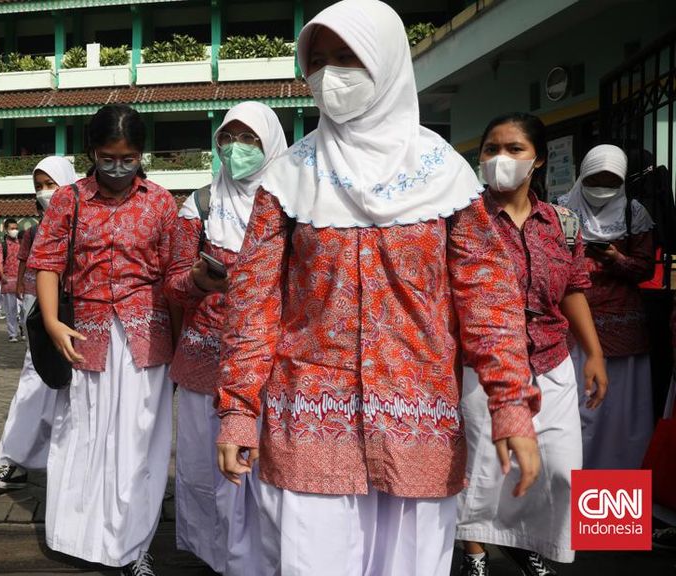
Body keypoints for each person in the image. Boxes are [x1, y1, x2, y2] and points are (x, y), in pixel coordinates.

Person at [214, 2, 542, 575]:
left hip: (418, 426)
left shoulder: (446, 176)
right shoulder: (289, 177)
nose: (330, 76)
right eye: (317, 62)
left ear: (386, 63)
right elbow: (253, 302)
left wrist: (510, 404)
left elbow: (487, 301)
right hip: (310, 419)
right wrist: (238, 409)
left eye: (348, 59)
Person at [455, 113, 608, 576]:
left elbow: (574, 287)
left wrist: (594, 353)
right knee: (483, 470)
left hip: (551, 360)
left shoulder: (562, 222)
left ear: (537, 159)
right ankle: (476, 554)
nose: (500, 158)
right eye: (490, 149)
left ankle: (530, 543)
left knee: (560, 472)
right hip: (482, 367)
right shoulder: (464, 219)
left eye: (514, 149)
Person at [27, 105, 177, 576]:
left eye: (128, 157)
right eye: (108, 156)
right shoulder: (69, 200)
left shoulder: (161, 202)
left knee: (139, 438)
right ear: (92, 152)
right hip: (83, 332)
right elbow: (47, 264)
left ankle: (135, 544)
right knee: (82, 431)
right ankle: (77, 535)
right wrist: (51, 322)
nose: (117, 166)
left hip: (146, 334)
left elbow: (174, 274)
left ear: (140, 155)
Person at [165, 101, 287, 575]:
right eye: (227, 138)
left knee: (262, 471)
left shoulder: (290, 205)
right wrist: (197, 281)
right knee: (205, 468)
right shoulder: (198, 207)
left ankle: (265, 559)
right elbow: (171, 282)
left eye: (249, 138)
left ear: (271, 143)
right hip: (204, 360)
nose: (236, 148)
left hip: (270, 364)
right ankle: (214, 558)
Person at [560, 144, 656, 470]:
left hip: (622, 330)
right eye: (595, 178)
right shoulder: (559, 213)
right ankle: (570, 493)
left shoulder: (635, 213)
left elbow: (644, 268)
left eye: (610, 180)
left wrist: (617, 260)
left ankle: (612, 508)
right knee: (577, 413)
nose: (602, 185)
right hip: (572, 328)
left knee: (621, 417)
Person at [0, 156, 78, 490]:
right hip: (47, 315)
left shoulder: (90, 221)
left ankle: (66, 465)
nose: (45, 192)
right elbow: (34, 270)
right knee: (32, 385)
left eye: (50, 184)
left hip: (86, 317)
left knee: (76, 395)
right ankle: (12, 461)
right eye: (39, 186)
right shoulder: (37, 229)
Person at [0, 217, 22, 342]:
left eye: (16, 228)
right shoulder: (2, 246)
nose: (14, 231)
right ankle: (12, 333)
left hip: (22, 282)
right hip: (8, 282)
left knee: (24, 310)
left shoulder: (22, 244)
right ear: (6, 230)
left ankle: (23, 330)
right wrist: (2, 275)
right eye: (12, 228)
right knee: (11, 310)